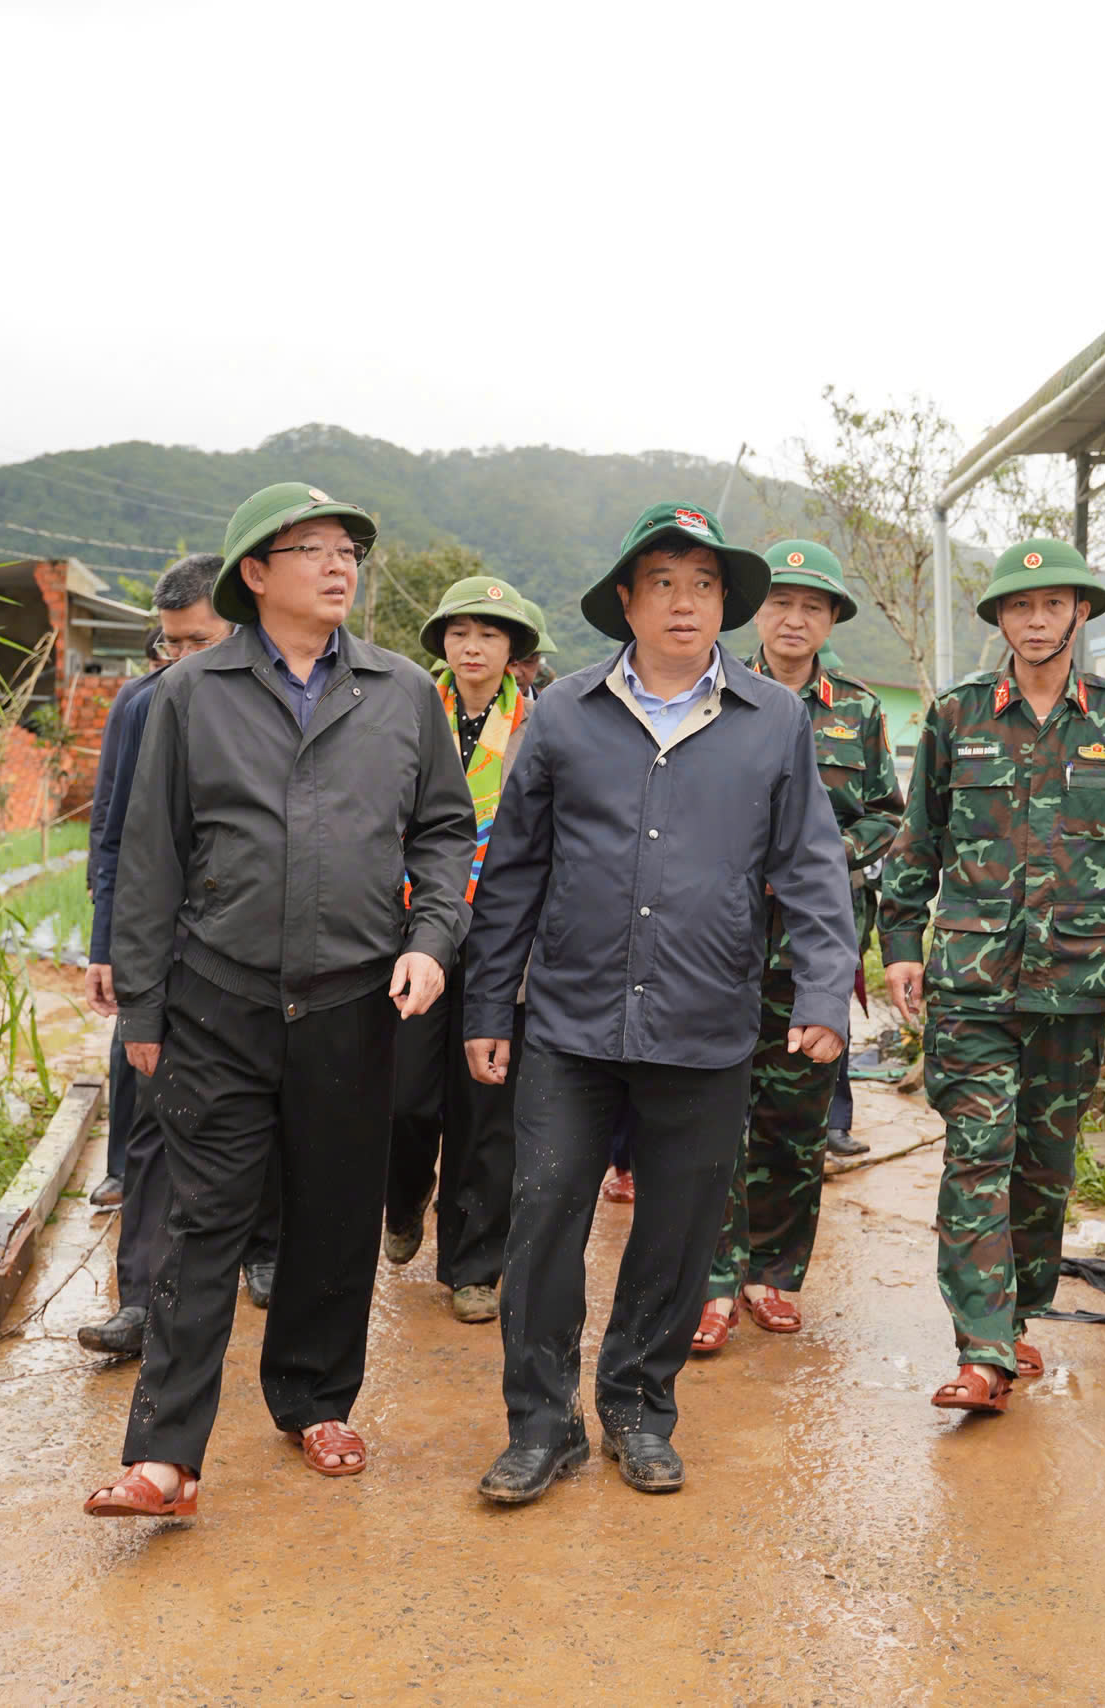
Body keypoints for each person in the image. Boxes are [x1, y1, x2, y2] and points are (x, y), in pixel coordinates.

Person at [84, 481, 477, 1517]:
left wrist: (432, 937)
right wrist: (143, 1012)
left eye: (348, 546)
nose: (340, 564)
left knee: (337, 1216)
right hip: (220, 998)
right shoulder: (191, 693)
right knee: (202, 1222)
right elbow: (151, 856)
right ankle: (166, 1455)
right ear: (254, 573)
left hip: (354, 1001)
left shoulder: (402, 692)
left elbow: (443, 831)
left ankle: (313, 1400)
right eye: (311, 548)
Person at [462, 501, 855, 1505]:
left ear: (725, 604)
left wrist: (819, 990)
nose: (685, 603)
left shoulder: (773, 723)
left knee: (677, 1229)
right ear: (626, 602)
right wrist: (485, 1010)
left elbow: (811, 867)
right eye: (664, 583)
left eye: (705, 585)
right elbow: (511, 874)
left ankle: (639, 1406)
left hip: (705, 1020)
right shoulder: (562, 715)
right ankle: (542, 1425)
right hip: (570, 1021)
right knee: (543, 1218)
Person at [878, 540, 1105, 1417]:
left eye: (1054, 604)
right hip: (973, 980)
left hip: (1076, 982)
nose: (1038, 619)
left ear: (1079, 614)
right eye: (1022, 607)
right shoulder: (957, 716)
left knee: (1043, 1168)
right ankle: (981, 1351)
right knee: (978, 1152)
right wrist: (901, 942)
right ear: (1002, 622)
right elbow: (918, 841)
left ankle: (1014, 1311)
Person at [693, 540, 902, 1355]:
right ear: (758, 611)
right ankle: (709, 1280)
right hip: (719, 942)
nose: (794, 618)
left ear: (830, 621)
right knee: (711, 1116)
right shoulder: (716, 693)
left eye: (813, 606)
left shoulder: (859, 709)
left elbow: (888, 811)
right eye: (781, 602)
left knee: (796, 1115)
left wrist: (822, 859)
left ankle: (771, 1276)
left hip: (812, 945)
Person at [76, 556, 286, 1357]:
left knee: (269, 1112)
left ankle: (265, 1250)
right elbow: (113, 832)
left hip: (255, 953)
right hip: (164, 951)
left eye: (196, 642)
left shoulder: (281, 702)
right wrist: (108, 948)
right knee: (152, 1120)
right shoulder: (142, 704)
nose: (179, 662)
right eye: (168, 646)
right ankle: (141, 1301)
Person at [383, 575, 538, 1324]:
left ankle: (474, 1264)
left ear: (514, 651)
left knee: (488, 1109)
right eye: (459, 632)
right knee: (408, 1098)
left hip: (502, 934)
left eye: (490, 634)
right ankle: (404, 1198)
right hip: (417, 930)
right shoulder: (405, 714)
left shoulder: (540, 728)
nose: (472, 646)